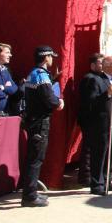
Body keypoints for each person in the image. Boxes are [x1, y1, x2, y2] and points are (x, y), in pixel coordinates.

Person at [21, 45, 64, 207]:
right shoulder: (41, 76)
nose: (52, 59)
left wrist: (53, 79)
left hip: (34, 120)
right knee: (35, 159)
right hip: (39, 122)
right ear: (46, 58)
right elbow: (49, 99)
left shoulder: (35, 74)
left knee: (34, 158)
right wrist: (59, 102)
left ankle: (31, 192)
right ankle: (29, 196)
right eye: (51, 56)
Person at [82, 55, 112, 195]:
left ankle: (107, 180)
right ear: (106, 66)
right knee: (100, 154)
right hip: (101, 124)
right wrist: (107, 94)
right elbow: (90, 102)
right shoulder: (96, 80)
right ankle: (97, 184)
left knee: (111, 154)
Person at [77, 53, 105, 185]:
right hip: (90, 119)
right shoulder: (90, 78)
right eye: (100, 63)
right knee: (88, 148)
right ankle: (85, 176)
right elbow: (90, 101)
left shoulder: (100, 78)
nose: (103, 65)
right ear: (93, 65)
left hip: (97, 120)